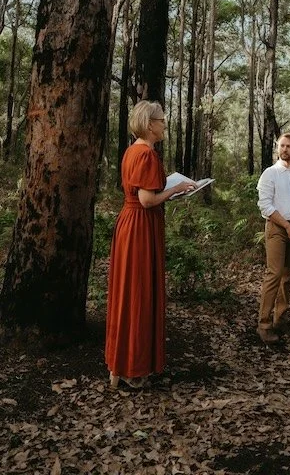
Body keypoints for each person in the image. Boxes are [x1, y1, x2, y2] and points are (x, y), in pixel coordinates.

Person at [105, 100, 196, 389]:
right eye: (161, 120)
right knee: (138, 294)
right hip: (140, 228)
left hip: (132, 224)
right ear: (149, 124)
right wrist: (176, 188)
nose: (164, 124)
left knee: (129, 292)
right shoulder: (145, 154)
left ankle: (121, 364)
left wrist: (167, 188)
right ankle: (133, 368)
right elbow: (146, 200)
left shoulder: (133, 151)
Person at [257, 133, 290, 344]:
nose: (285, 149)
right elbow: (265, 205)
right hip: (277, 228)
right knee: (274, 274)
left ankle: (281, 321)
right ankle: (264, 325)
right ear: (277, 147)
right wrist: (287, 226)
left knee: (288, 276)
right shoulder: (270, 174)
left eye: (289, 146)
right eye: (282, 145)